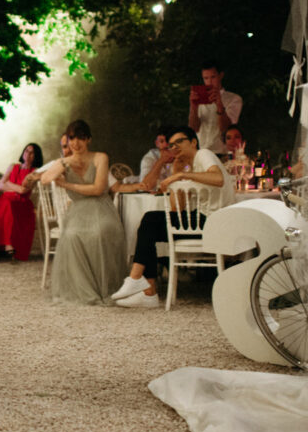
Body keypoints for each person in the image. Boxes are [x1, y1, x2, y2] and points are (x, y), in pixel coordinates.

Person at [113, 126, 234, 308]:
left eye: (180, 142)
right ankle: (146, 289)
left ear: (193, 142)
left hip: (214, 221)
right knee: (149, 224)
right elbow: (177, 210)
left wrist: (181, 174)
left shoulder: (203, 154)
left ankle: (139, 282)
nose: (175, 147)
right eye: (171, 145)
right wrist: (176, 170)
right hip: (200, 221)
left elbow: (218, 178)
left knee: (150, 221)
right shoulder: (191, 166)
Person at [40, 120, 127, 304]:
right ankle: (82, 288)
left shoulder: (100, 157)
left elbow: (98, 189)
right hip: (78, 210)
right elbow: (45, 179)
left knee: (101, 231)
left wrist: (67, 184)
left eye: (80, 138)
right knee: (71, 235)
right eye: (72, 138)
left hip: (100, 207)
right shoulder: (64, 161)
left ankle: (105, 287)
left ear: (88, 139)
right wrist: (63, 164)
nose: (75, 143)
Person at [0, 143, 42, 261]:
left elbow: (23, 191)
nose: (28, 154)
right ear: (23, 153)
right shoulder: (13, 166)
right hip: (5, 199)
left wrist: (8, 183)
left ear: (36, 156)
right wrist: (15, 188)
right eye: (26, 151)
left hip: (22, 202)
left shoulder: (35, 172)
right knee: (6, 204)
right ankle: (7, 245)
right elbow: (1, 186)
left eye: (32, 153)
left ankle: (2, 246)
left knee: (8, 206)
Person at [188, 62, 242, 155]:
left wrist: (219, 104)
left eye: (213, 77)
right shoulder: (199, 99)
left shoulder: (233, 99)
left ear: (220, 76)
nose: (209, 82)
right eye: (206, 78)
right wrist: (193, 107)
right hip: (201, 151)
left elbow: (226, 129)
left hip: (222, 151)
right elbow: (193, 128)